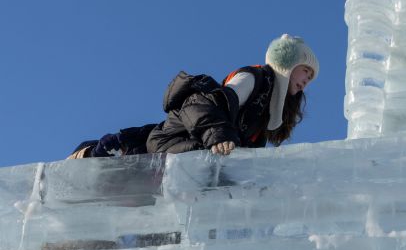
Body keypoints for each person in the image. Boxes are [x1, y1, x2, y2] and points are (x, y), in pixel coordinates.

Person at [69, 34, 319, 158]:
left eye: (310, 77)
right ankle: (92, 154)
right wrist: (219, 136)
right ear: (286, 63)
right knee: (124, 152)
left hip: (191, 148)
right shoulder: (254, 80)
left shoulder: (264, 116)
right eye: (305, 70)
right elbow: (197, 104)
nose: (307, 79)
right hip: (174, 138)